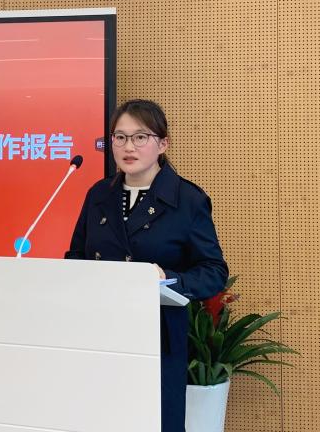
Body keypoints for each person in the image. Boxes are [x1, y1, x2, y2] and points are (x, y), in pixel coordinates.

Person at [65, 99, 228, 432]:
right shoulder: (98, 195)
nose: (129, 147)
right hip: (100, 330)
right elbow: (76, 257)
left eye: (140, 137)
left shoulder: (187, 199)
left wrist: (168, 278)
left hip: (158, 337)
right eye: (120, 137)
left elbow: (213, 271)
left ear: (163, 144)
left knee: (155, 421)